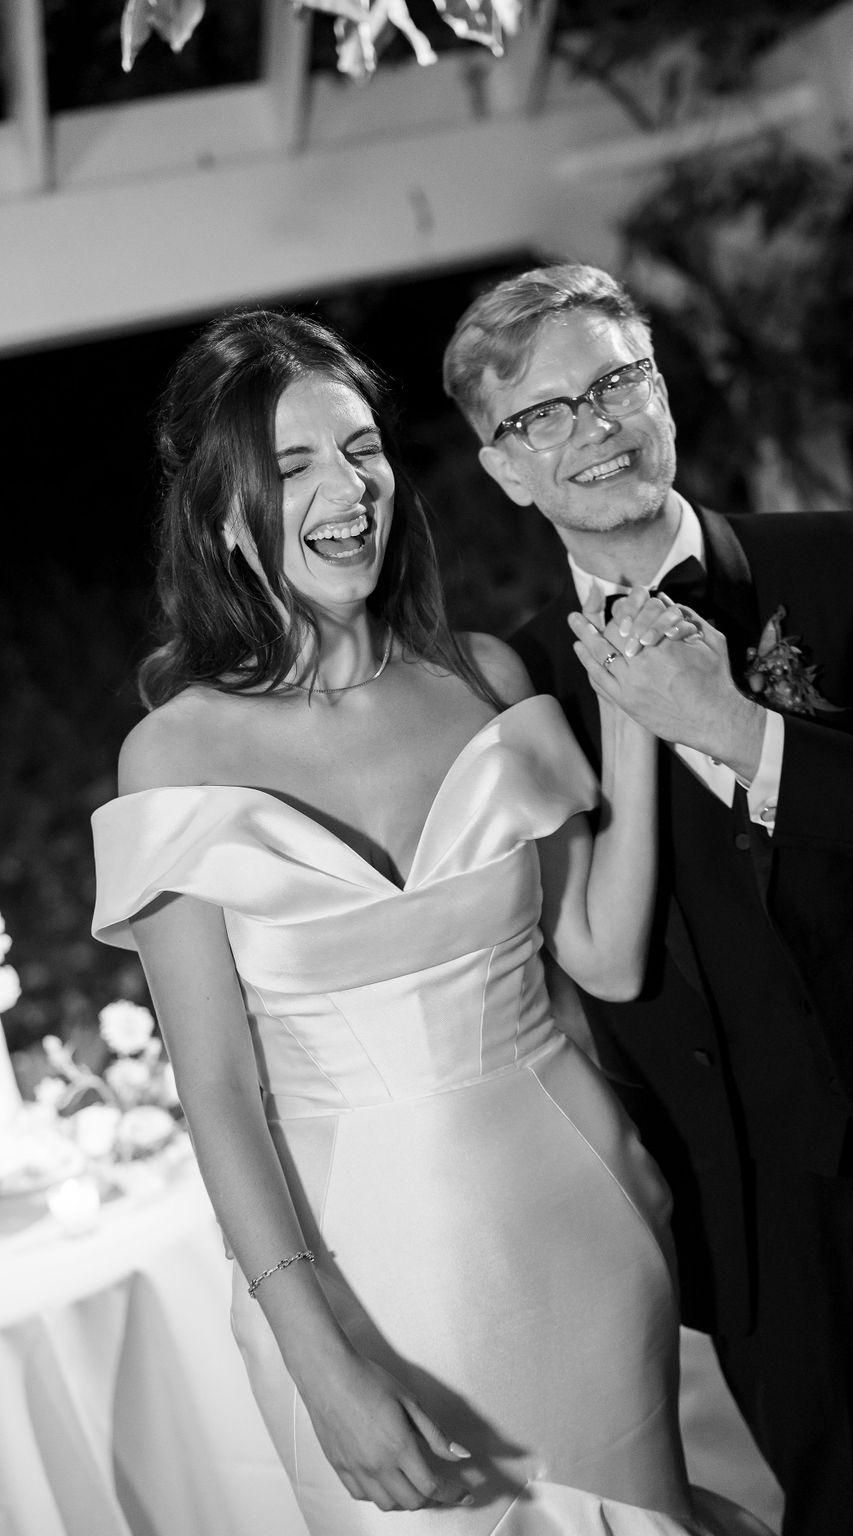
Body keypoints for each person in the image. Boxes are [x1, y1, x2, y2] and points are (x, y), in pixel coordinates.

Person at [90, 309, 772, 1536]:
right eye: (293, 464)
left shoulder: (482, 682)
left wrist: (631, 719)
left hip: (582, 1222)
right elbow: (218, 1094)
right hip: (362, 1280)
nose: (347, 489)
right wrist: (316, 1358)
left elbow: (603, 957)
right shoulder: (174, 757)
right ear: (225, 513)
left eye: (361, 449)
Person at [442, 262, 853, 1536]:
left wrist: (739, 731)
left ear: (661, 391)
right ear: (505, 469)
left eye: (617, 383)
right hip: (760, 1212)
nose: (597, 427)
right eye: (544, 414)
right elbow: (582, 961)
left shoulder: (845, 562)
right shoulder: (522, 689)